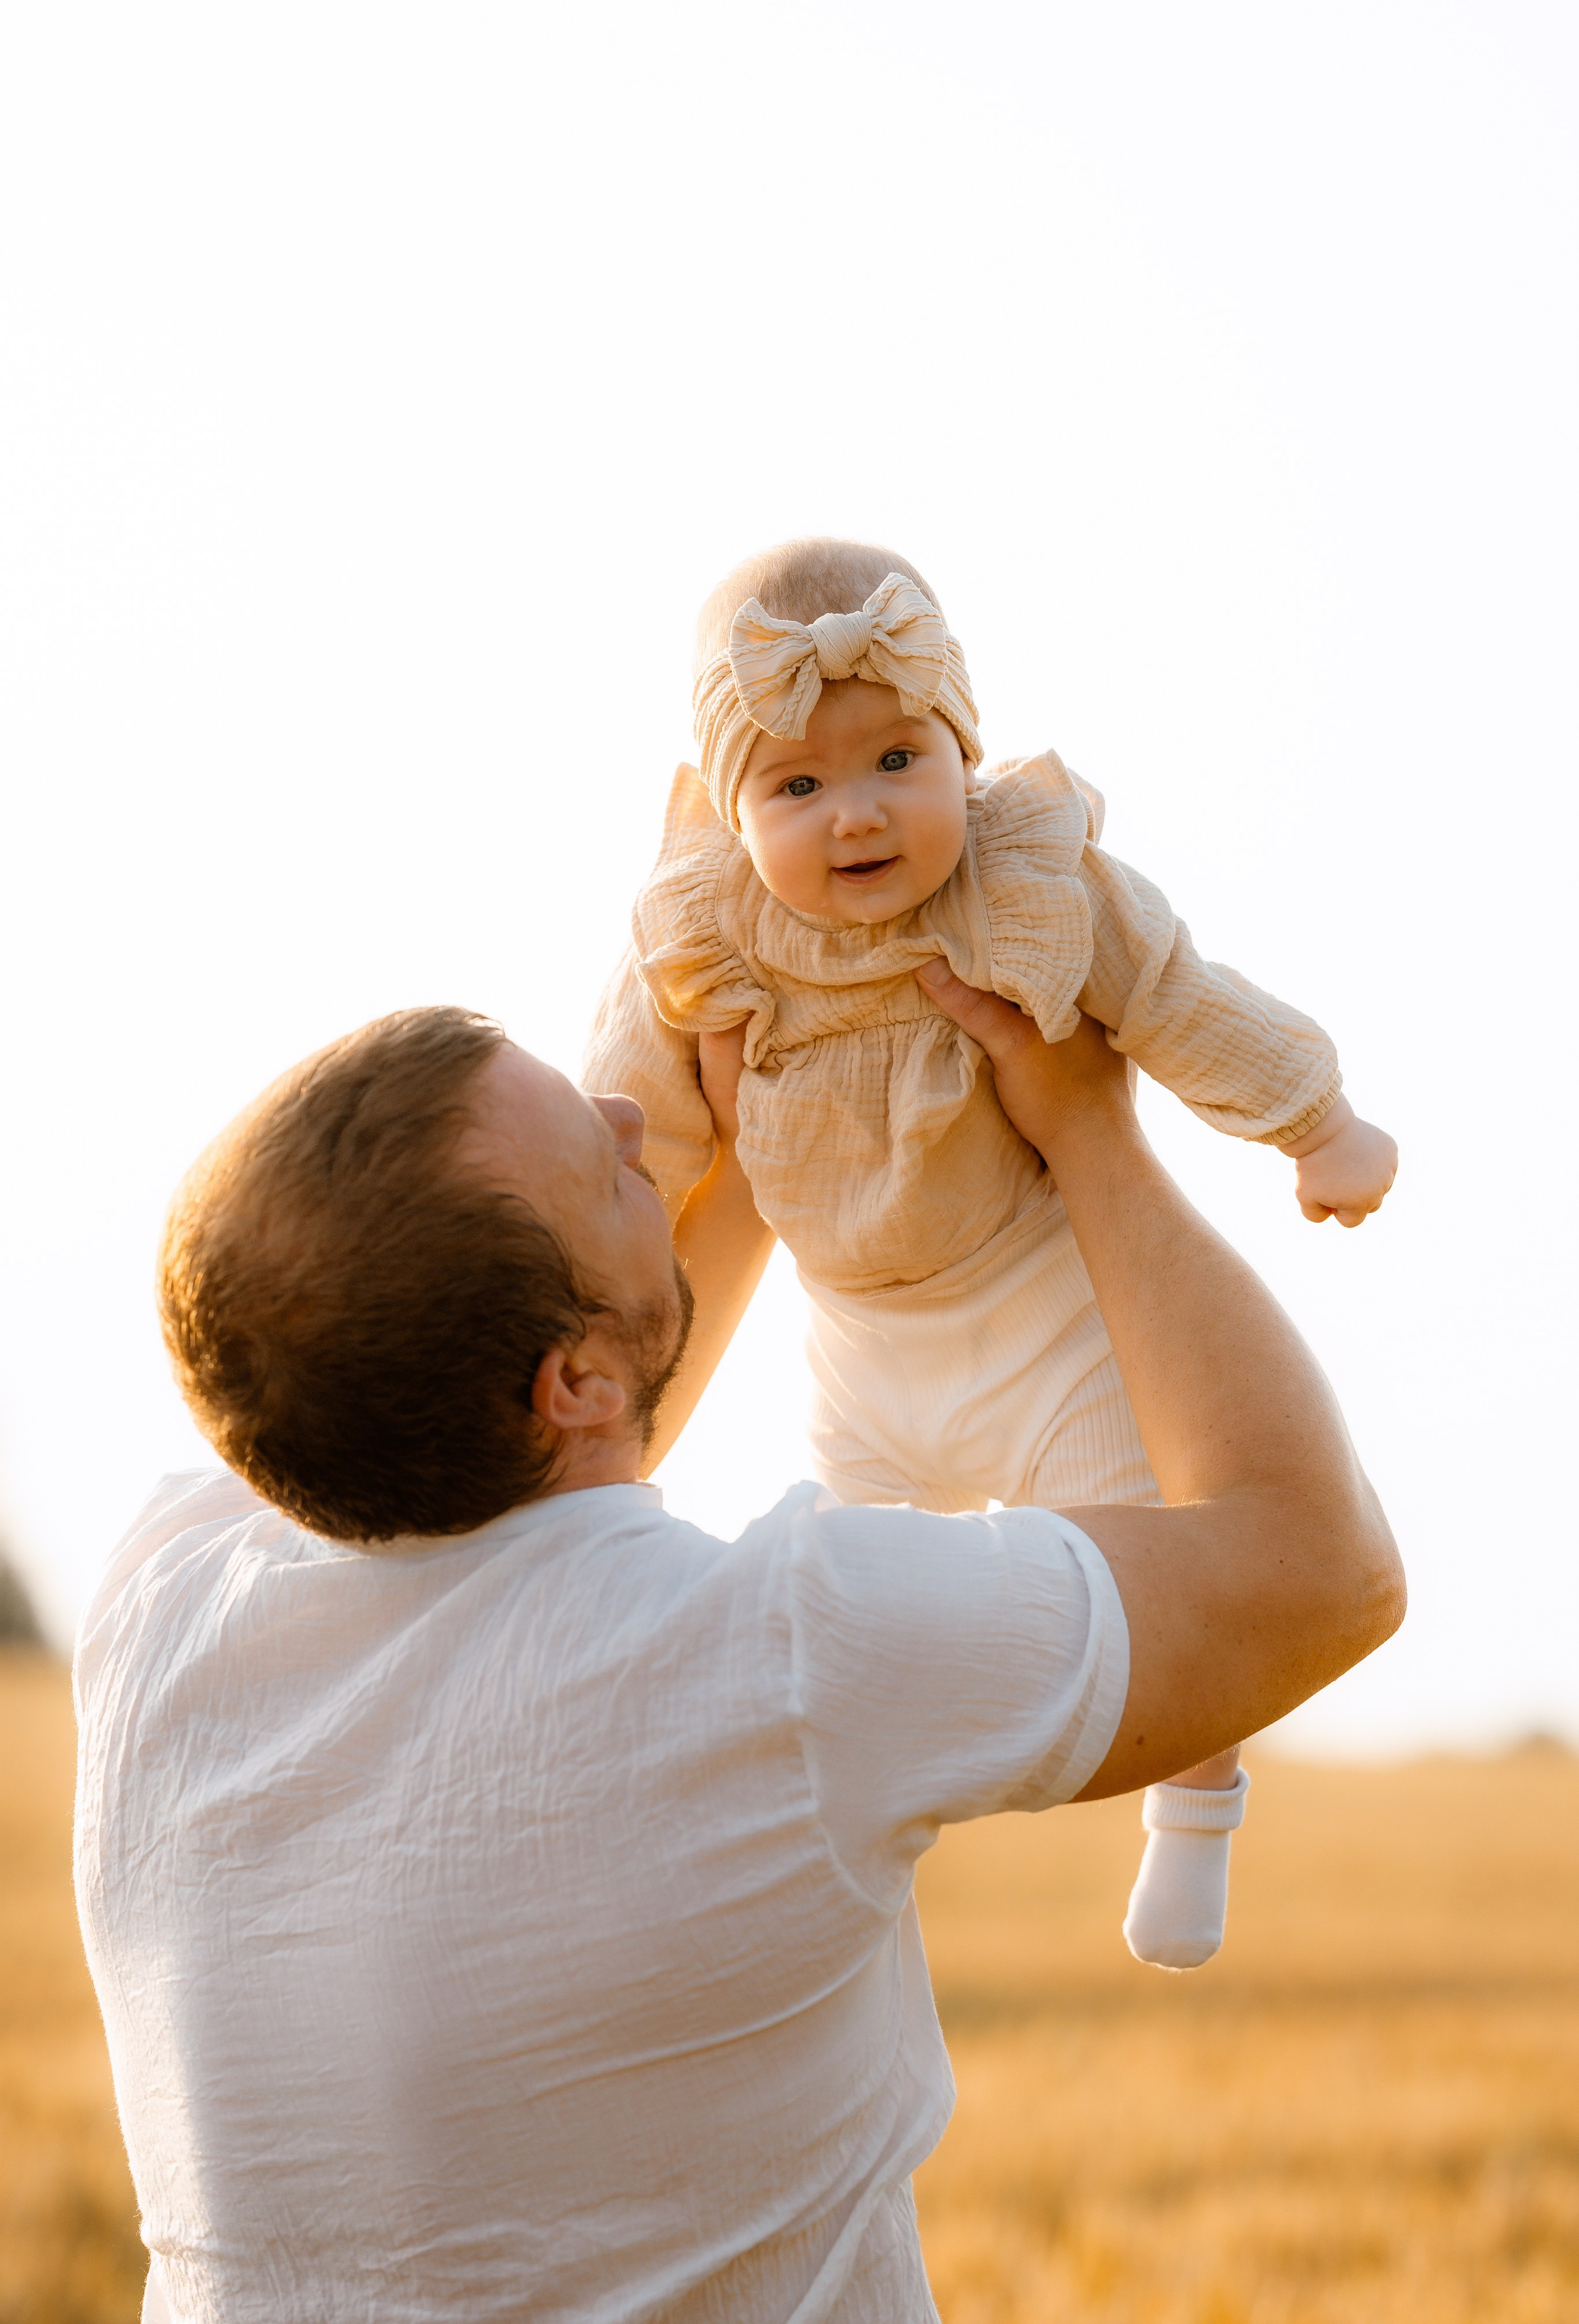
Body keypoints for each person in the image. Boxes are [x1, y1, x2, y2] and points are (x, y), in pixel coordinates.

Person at [75, 990, 1403, 2324]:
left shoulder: (157, 1605)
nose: (627, 1113)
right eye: (601, 1164)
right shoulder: (785, 1656)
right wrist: (1092, 1132)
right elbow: (1320, 1568)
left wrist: (755, 1191)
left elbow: (517, 1475)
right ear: (570, 1385)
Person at [584, 537, 1399, 1970]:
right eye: (796, 787)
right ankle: (832, 1872)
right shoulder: (704, 934)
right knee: (833, 1611)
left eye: (897, 761)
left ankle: (1192, 1812)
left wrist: (1313, 1122)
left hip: (1038, 1310)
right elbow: (631, 1131)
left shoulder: (1030, 884)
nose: (856, 815)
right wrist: (589, 1263)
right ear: (730, 805)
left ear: (963, 749)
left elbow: (1179, 999)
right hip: (856, 1348)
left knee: (1161, 1562)